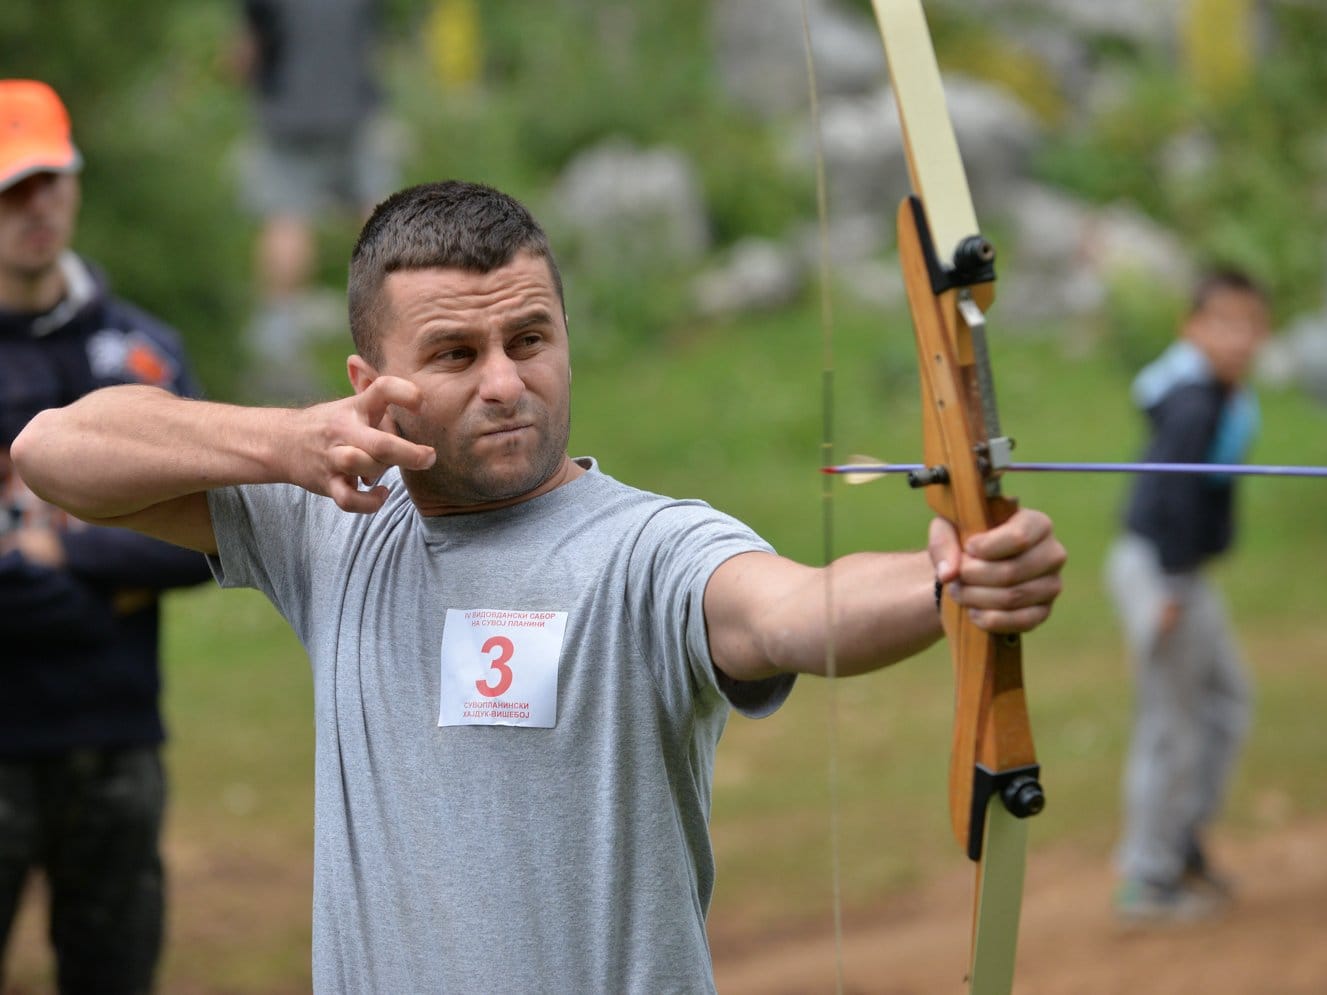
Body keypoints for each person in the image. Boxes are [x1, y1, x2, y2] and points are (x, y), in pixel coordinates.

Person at [13, 180, 1067, 992]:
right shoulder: (331, 522)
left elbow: (792, 609)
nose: (506, 383)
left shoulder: (649, 549)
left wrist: (948, 581)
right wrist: (283, 442)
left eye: (529, 340)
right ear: (369, 384)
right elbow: (54, 451)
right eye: (454, 353)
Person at [0, 80, 211, 993]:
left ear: (76, 182)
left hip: (115, 736)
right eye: (12, 188)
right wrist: (104, 579)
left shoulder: (144, 354)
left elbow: (205, 536)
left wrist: (59, 552)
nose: (36, 207)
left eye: (49, 180)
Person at [1106, 268, 1270, 924]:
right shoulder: (1192, 402)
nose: (1238, 337)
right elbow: (1170, 493)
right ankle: (1147, 877)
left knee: (1226, 702)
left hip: (1183, 573)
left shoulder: (1221, 394)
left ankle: (1179, 841)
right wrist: (1171, 585)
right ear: (1191, 328)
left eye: (1250, 324)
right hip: (1162, 571)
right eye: (1223, 323)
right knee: (1170, 726)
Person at [231, 0, 400, 400]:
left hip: (290, 113)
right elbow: (373, 39)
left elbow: (248, 50)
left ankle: (277, 341)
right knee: (376, 213)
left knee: (287, 219)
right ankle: (399, 315)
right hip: (354, 106)